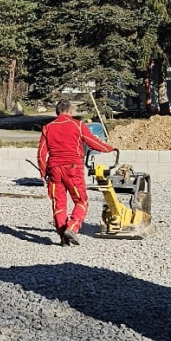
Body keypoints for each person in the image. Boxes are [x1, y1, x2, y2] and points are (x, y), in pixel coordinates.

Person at [37, 99, 114, 246]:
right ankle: (72, 228)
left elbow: (41, 153)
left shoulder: (47, 127)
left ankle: (63, 237)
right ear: (70, 111)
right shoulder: (78, 125)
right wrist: (109, 148)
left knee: (59, 204)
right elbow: (92, 142)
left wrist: (42, 172)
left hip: (53, 169)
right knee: (81, 201)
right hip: (73, 168)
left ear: (57, 111)